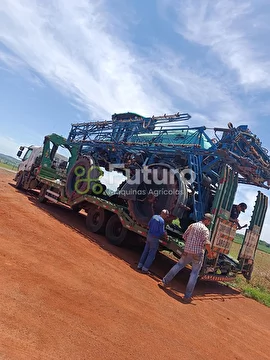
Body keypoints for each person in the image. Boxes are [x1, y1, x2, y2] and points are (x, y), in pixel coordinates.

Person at [158, 213, 214, 303]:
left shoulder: (192, 225)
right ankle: (187, 296)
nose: (209, 223)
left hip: (187, 250)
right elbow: (207, 243)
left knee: (178, 265)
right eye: (209, 221)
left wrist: (190, 244)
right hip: (198, 253)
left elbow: (184, 236)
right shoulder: (205, 230)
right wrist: (210, 253)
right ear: (207, 220)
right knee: (194, 274)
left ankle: (164, 282)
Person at [137, 209, 169, 274]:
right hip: (155, 239)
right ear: (164, 215)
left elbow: (148, 225)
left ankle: (139, 265)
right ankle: (145, 269)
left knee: (145, 251)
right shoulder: (162, 221)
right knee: (151, 254)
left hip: (149, 236)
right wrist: (166, 235)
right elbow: (162, 232)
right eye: (166, 215)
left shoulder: (154, 216)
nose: (166, 217)